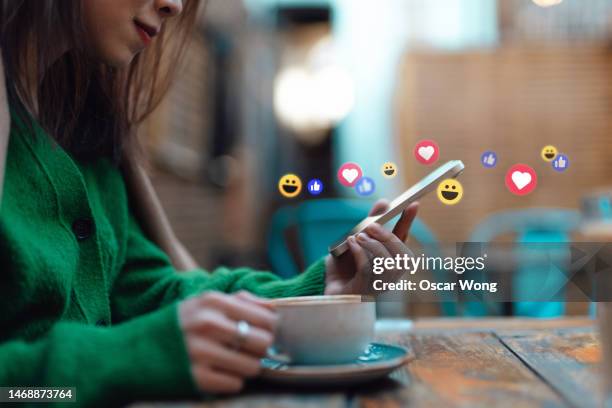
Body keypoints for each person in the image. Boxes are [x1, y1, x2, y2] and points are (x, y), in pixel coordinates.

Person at [0, 0, 418, 406]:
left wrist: (316, 292)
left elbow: (149, 294)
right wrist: (127, 359)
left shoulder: (88, 147)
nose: (175, 6)